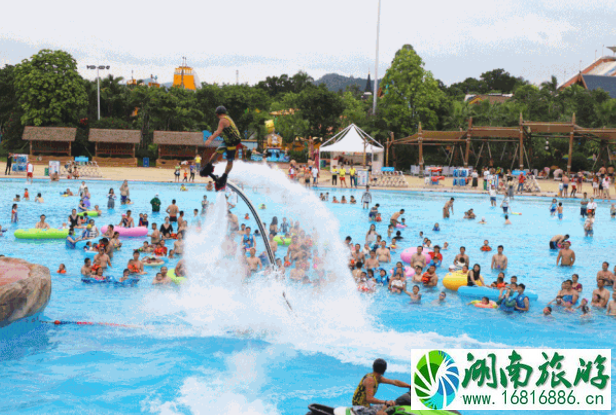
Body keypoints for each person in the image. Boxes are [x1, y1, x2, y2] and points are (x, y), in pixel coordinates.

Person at [200, 106, 242, 191]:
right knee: (217, 152)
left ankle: (224, 176)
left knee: (229, 160)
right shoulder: (227, 119)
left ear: (216, 114)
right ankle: (209, 166)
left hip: (233, 142)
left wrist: (209, 139)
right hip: (228, 140)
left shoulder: (222, 120)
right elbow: (220, 132)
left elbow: (219, 131)